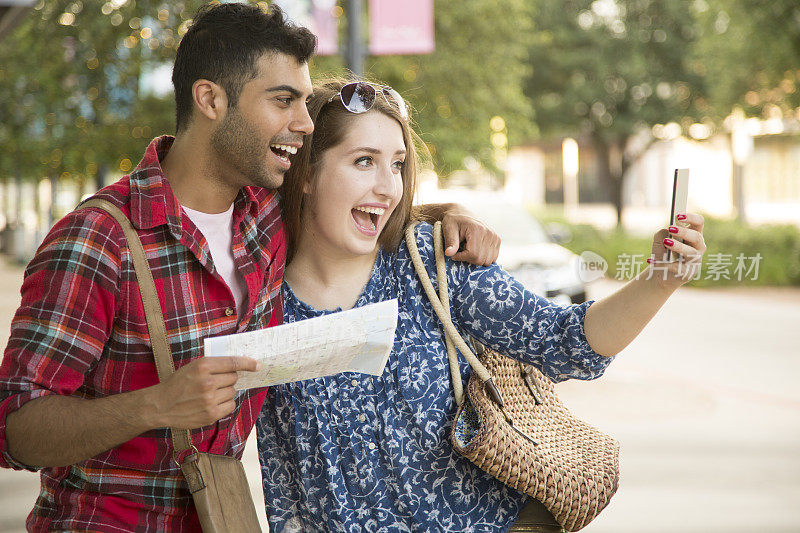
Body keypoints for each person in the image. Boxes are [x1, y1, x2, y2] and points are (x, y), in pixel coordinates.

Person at [0, 4, 498, 531]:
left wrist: (450, 215)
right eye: (284, 100)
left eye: (305, 102)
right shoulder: (99, 239)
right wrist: (155, 406)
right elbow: (15, 429)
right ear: (210, 99)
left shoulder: (265, 216)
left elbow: (358, 204)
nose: (305, 124)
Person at [255, 78, 708, 532]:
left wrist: (659, 280)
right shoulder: (257, 304)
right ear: (307, 173)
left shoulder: (432, 263)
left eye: (396, 165)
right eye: (363, 162)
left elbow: (567, 341)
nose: (387, 187)